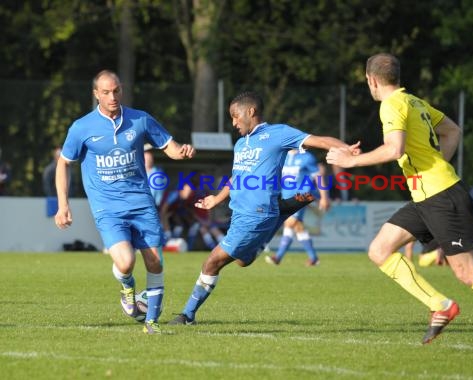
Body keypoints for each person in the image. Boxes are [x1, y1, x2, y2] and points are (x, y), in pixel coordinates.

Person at [326, 53, 473, 354]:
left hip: (441, 195)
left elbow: (394, 149)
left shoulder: (391, 105)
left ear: (372, 80)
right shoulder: (414, 101)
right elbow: (453, 131)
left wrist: (348, 162)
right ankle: (439, 305)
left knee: (468, 273)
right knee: (379, 250)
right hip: (426, 195)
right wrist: (435, 164)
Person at [168, 91, 358, 326]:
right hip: (240, 213)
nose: (234, 123)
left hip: (256, 214)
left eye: (235, 116)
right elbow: (236, 177)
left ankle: (187, 315)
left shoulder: (278, 133)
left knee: (211, 262)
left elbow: (319, 140)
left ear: (251, 111)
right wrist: (216, 199)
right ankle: (282, 212)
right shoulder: (240, 144)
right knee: (241, 261)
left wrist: (347, 149)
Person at [54, 70, 195, 334]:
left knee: (155, 262)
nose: (112, 96)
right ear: (96, 94)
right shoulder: (82, 127)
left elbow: (170, 147)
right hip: (107, 208)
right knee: (126, 262)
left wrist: (183, 151)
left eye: (116, 90)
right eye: (106, 92)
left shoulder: (140, 119)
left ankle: (151, 323)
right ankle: (128, 288)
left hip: (142, 203)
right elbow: (64, 163)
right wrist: (63, 204)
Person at [265, 150, 330, 266]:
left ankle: (278, 256)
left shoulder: (307, 157)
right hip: (286, 196)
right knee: (295, 225)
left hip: (302, 195)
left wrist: (324, 197)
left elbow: (318, 177)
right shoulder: (282, 156)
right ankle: (313, 257)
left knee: (291, 222)